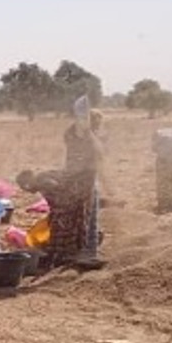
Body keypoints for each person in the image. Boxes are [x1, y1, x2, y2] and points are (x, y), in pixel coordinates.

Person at [64, 100, 107, 269]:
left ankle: (80, 250)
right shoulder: (86, 136)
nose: (98, 126)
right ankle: (88, 254)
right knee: (90, 217)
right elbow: (98, 154)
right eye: (97, 123)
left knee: (81, 216)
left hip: (75, 178)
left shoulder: (72, 133)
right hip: (85, 179)